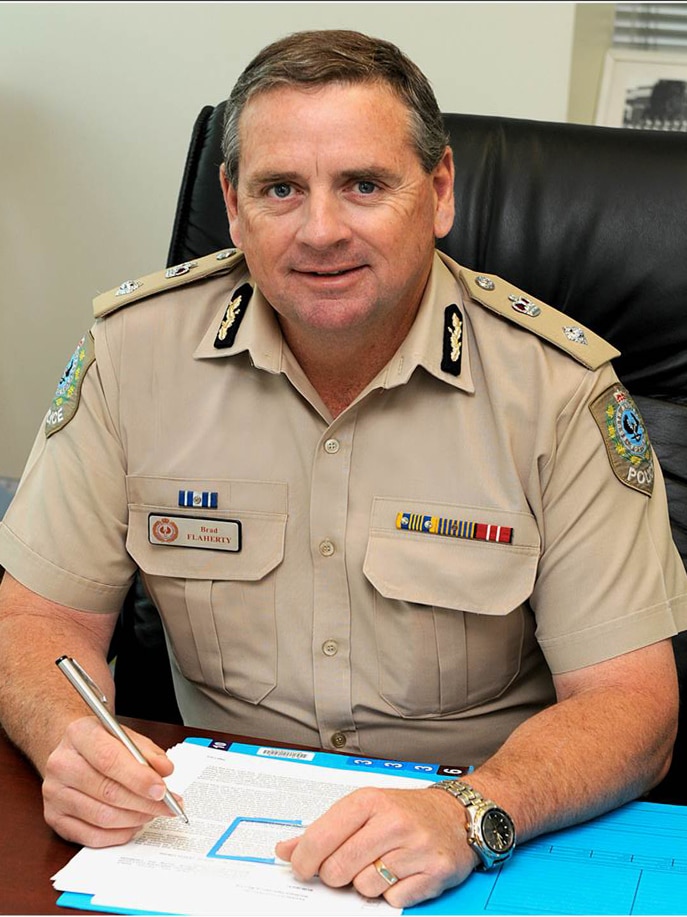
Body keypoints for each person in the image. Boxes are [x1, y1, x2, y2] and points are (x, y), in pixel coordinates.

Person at [0, 28, 686, 909]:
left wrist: (472, 809)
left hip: (470, 841)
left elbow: (633, 704)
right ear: (233, 204)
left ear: (437, 193)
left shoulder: (557, 389)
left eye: (363, 185)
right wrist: (69, 738)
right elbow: (37, 616)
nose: (321, 231)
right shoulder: (133, 355)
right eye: (280, 189)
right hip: (196, 834)